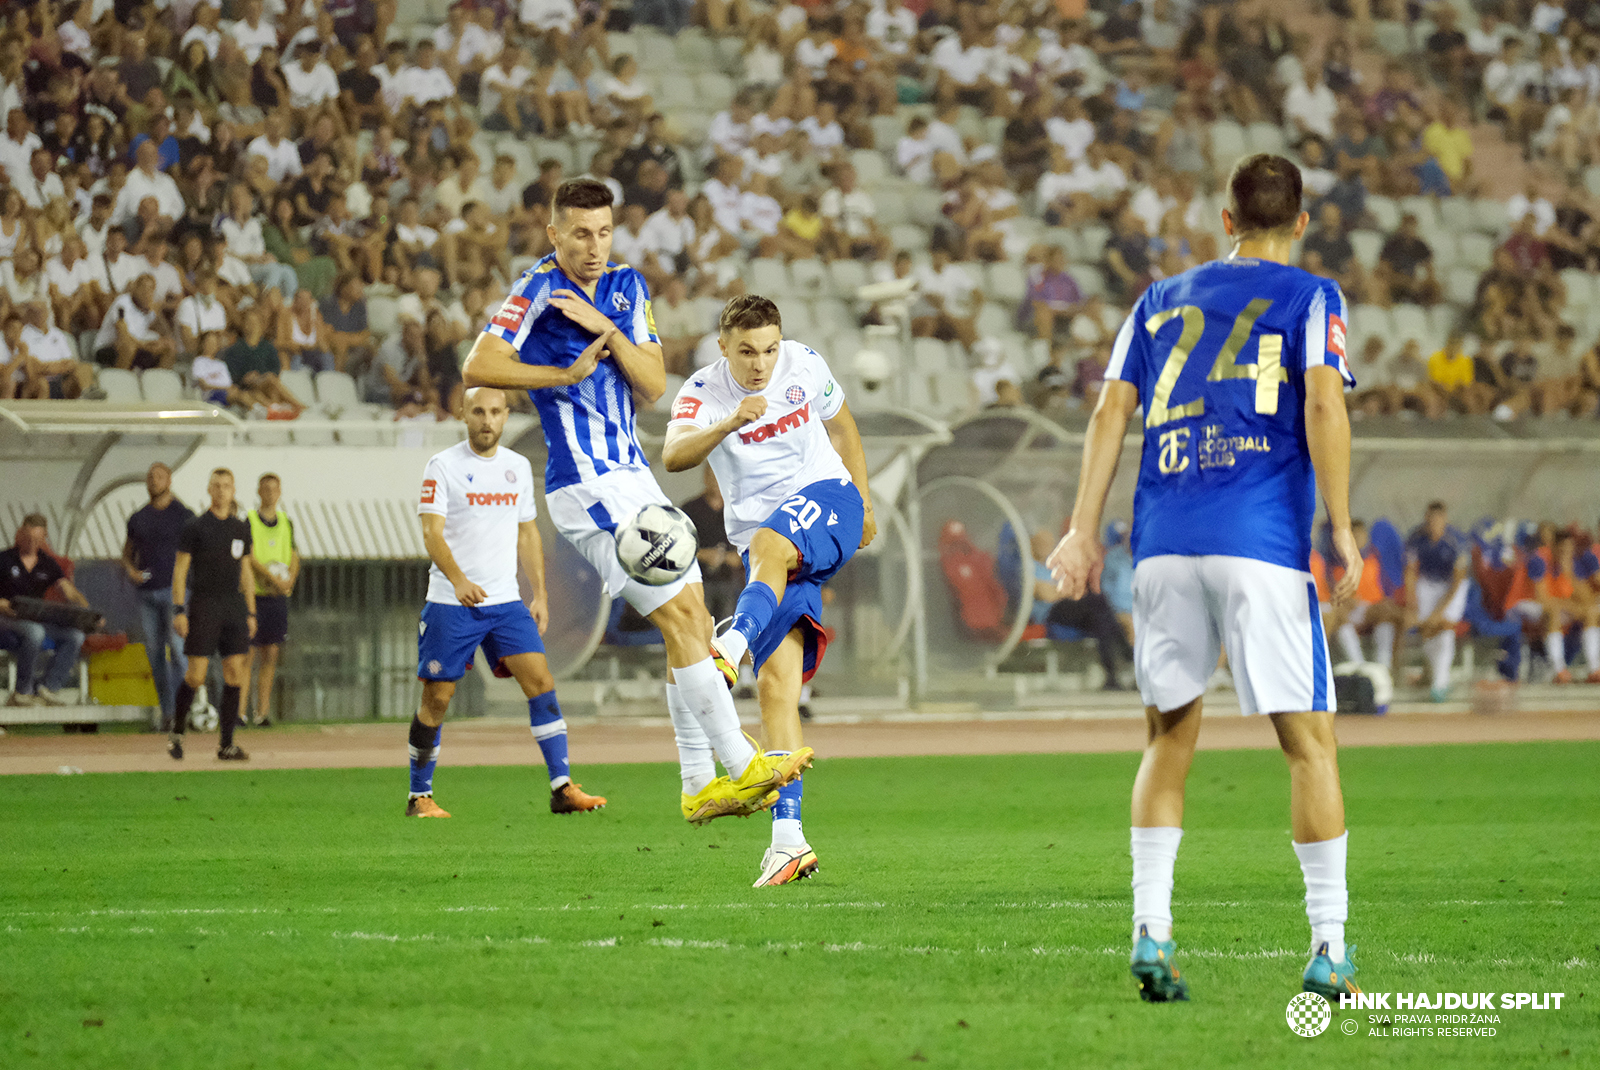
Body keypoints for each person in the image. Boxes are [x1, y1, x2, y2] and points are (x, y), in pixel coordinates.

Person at [1046, 154, 1363, 1002]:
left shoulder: (1157, 300)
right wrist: (1339, 525)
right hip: (1258, 542)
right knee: (1309, 744)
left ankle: (1152, 933)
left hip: (1163, 544)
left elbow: (1111, 409)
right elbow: (1324, 403)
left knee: (1167, 740)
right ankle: (1329, 947)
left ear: (1225, 220)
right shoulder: (1312, 297)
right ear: (1301, 222)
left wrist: (1082, 530)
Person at [461, 178, 807, 827]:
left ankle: (699, 783)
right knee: (679, 617)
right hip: (586, 484)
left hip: (635, 477)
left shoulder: (626, 288)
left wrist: (606, 329)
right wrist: (557, 376)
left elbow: (652, 385)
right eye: (580, 233)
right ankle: (740, 762)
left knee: (697, 622)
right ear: (554, 234)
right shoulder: (535, 291)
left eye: (603, 232)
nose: (593, 246)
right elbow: (478, 366)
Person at [663, 295, 871, 886]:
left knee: (768, 548)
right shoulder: (702, 394)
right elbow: (674, 455)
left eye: (770, 349)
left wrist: (867, 499)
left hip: (825, 497)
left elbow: (843, 425)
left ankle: (727, 652)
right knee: (777, 688)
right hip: (769, 546)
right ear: (723, 347)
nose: (762, 364)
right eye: (748, 351)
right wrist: (728, 423)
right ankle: (789, 842)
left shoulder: (805, 363)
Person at [405, 387, 606, 817]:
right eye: (478, 411)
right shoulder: (443, 467)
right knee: (438, 699)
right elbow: (431, 534)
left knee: (541, 684)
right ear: (463, 414)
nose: (486, 420)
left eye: (495, 412)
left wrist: (540, 593)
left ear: (505, 416)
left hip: (505, 603)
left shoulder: (516, 468)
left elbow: (528, 533)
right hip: (450, 603)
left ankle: (562, 788)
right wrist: (457, 580)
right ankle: (419, 796)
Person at [169, 468, 257, 762]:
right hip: (204, 604)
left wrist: (251, 610)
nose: (221, 491)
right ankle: (177, 732)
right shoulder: (195, 527)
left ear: (233, 491)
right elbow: (180, 570)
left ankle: (226, 743)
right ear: (209, 490)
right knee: (196, 675)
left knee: (234, 673)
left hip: (232, 606)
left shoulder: (241, 528)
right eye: (216, 486)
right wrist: (179, 609)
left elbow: (245, 570)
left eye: (226, 486)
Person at [122, 463, 195, 730]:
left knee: (178, 651)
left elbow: (195, 553)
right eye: (150, 477)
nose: (154, 481)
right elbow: (126, 552)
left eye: (159, 476)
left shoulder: (184, 515)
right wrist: (130, 571)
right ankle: (167, 711)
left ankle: (182, 709)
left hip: (175, 592)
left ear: (169, 480)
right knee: (154, 654)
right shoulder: (138, 518)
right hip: (147, 594)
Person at [0, 514, 96, 707]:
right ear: (21, 534)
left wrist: (88, 613)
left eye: (37, 539)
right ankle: (22, 691)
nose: (32, 543)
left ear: (44, 538)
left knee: (75, 636)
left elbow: (69, 591)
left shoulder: (47, 564)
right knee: (35, 633)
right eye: (28, 538)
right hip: (5, 621)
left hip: (35, 620)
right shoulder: (4, 559)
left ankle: (48, 688)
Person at [246, 474, 299, 727]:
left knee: (271, 654)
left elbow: (294, 554)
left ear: (279, 492)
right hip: (255, 595)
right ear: (258, 491)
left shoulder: (286, 522)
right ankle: (240, 712)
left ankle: (262, 712)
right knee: (248, 654)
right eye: (265, 488)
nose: (269, 493)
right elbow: (250, 556)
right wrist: (270, 577)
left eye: (274, 489)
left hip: (277, 598)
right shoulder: (251, 520)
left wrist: (288, 581)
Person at [1403, 502, 1469, 702]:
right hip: (1427, 583)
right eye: (1430, 520)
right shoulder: (1416, 537)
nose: (1434, 524)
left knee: (1445, 628)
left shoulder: (1456, 540)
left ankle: (1439, 685)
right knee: (1428, 630)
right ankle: (1434, 676)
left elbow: (1457, 580)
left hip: (1452, 586)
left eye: (1438, 520)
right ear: (1425, 519)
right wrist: (1412, 602)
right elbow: (1411, 572)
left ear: (1445, 520)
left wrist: (1439, 611)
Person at [678, 465, 742, 627]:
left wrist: (731, 557)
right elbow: (677, 547)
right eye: (712, 476)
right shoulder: (690, 509)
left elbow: (747, 545)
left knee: (727, 628)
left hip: (728, 582)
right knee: (700, 628)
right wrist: (703, 554)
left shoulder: (736, 511)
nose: (716, 481)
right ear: (705, 478)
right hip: (698, 581)